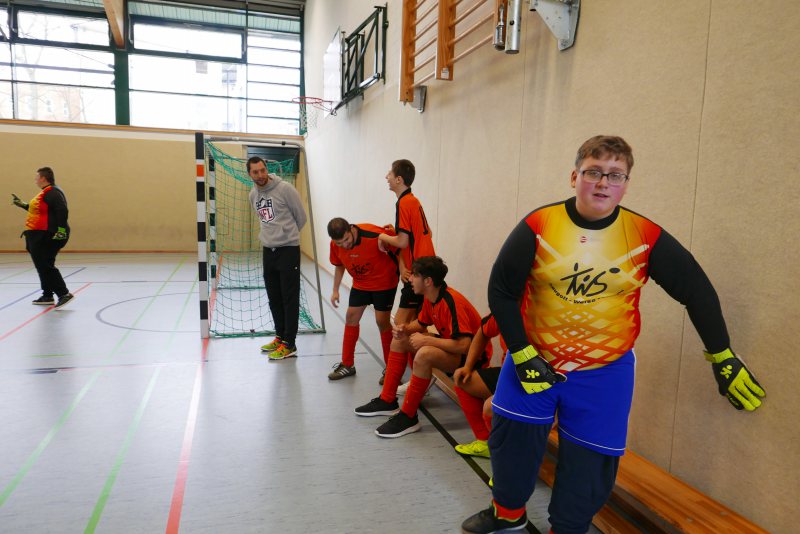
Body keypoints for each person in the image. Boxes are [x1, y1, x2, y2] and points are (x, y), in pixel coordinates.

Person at [462, 135, 766, 534]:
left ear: (626, 183)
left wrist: (722, 354)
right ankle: (507, 514)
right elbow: (502, 290)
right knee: (511, 442)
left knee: (591, 463)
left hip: (604, 371)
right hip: (533, 360)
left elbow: (696, 290)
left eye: (615, 175)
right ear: (575, 177)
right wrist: (520, 352)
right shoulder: (539, 225)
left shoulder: (643, 234)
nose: (603, 182)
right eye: (594, 172)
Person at [354, 256, 486, 439]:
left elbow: (465, 345)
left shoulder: (452, 301)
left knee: (424, 353)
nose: (410, 278)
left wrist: (427, 341)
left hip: (473, 360)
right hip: (453, 349)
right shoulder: (431, 297)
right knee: (399, 341)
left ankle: (408, 417)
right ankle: (387, 400)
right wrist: (405, 329)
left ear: (428, 281)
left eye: (415, 275)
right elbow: (421, 323)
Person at [376, 159, 435, 384]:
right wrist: (402, 265)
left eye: (390, 174)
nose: (387, 177)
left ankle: (394, 382)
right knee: (413, 329)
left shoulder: (404, 203)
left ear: (399, 179)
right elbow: (414, 238)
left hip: (421, 273)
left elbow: (402, 241)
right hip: (420, 270)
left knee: (399, 328)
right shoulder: (412, 201)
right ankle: (420, 375)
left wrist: (382, 236)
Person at [247, 157, 307, 361]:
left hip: (288, 249)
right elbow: (263, 220)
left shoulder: (285, 189)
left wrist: (286, 235)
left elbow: (301, 217)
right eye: (255, 172)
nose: (260, 175)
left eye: (262, 170)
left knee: (289, 298)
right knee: (274, 297)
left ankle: (290, 344)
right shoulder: (253, 194)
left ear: (267, 169)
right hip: (268, 250)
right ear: (250, 174)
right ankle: (280, 336)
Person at [327, 217, 399, 380]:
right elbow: (339, 265)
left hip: (384, 282)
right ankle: (347, 364)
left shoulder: (373, 235)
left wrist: (403, 268)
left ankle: (391, 368)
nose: (344, 245)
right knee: (351, 317)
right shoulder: (335, 245)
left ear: (351, 230)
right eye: (339, 243)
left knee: (382, 321)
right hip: (361, 284)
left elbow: (400, 248)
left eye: (346, 240)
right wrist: (335, 290)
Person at [12, 166, 73, 308]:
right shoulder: (46, 192)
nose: (35, 180)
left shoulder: (52, 192)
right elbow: (39, 210)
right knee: (44, 265)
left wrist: (61, 230)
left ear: (43, 178)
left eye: (37, 177)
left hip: (46, 234)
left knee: (44, 265)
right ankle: (47, 295)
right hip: (39, 234)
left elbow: (62, 210)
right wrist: (22, 204)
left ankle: (64, 294)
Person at [452, 314, 506, 459]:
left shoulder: (541, 315)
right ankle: (484, 442)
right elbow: (482, 332)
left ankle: (507, 455)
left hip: (539, 380)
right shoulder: (504, 309)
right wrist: (467, 367)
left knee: (490, 406)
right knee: (463, 380)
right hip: (510, 374)